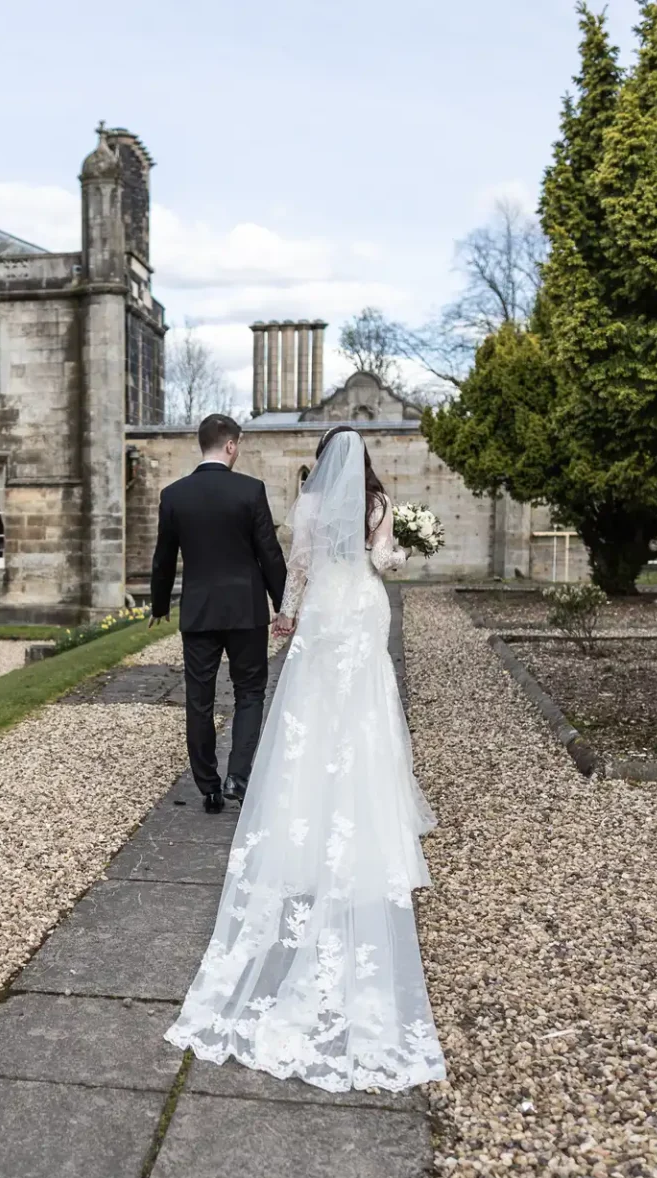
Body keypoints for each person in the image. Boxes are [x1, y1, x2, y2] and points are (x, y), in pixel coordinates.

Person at [164, 427, 447, 1094]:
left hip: (325, 613)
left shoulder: (313, 507)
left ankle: (304, 823)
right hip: (364, 610)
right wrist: (406, 545)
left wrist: (287, 617)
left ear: (321, 463)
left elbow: (297, 568)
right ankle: (368, 821)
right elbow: (386, 566)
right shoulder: (379, 504)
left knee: (311, 716)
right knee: (366, 715)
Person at [148, 413, 287, 815]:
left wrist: (159, 605)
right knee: (250, 692)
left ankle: (208, 786)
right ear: (230, 445)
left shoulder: (175, 495)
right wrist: (284, 604)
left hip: (199, 611)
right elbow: (269, 553)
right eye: (238, 445)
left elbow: (163, 559)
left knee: (200, 699)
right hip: (245, 609)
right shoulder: (250, 490)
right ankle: (237, 777)